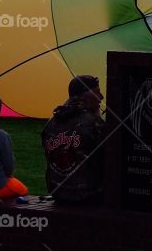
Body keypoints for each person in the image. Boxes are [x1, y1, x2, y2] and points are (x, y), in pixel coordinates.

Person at [42, 75, 105, 204]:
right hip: (88, 196)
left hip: (58, 194)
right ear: (85, 96)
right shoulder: (94, 124)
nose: (101, 97)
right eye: (97, 93)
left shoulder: (50, 124)